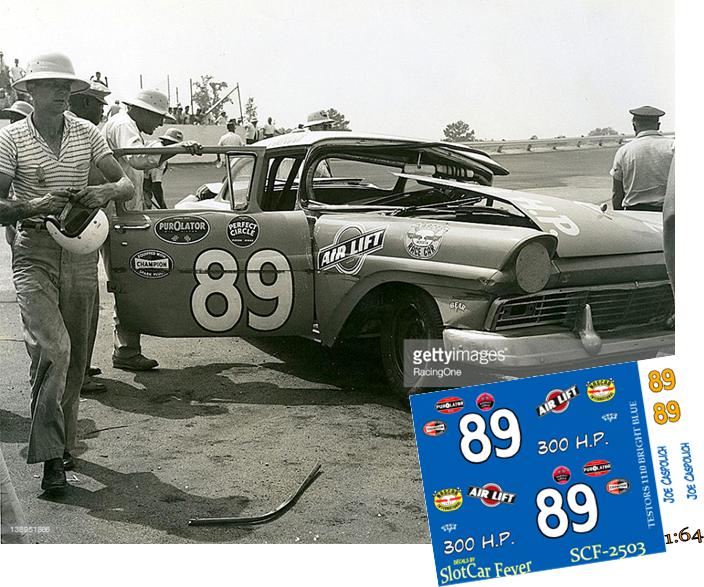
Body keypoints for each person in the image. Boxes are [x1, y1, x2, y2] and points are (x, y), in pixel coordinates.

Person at [0, 52, 134, 493]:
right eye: (52, 85)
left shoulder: (87, 132)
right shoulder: (11, 139)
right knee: (53, 349)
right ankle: (51, 458)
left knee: (74, 359)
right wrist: (33, 206)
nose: (62, 92)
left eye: (67, 86)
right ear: (30, 92)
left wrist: (103, 190)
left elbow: (126, 184)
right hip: (34, 252)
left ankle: (62, 445)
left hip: (80, 252)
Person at [102, 88, 202, 371]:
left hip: (122, 213)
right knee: (126, 282)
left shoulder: (127, 124)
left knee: (127, 281)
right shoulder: (123, 124)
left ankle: (127, 349)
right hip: (115, 215)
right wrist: (175, 148)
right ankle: (126, 351)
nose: (159, 124)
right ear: (142, 110)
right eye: (158, 117)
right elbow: (138, 158)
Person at [68, 81, 112, 394]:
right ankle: (78, 373)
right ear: (83, 103)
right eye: (98, 103)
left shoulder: (79, 130)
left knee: (85, 303)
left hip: (77, 230)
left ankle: (80, 366)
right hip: (76, 229)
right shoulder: (83, 131)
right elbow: (102, 180)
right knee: (81, 305)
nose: (103, 109)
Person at [611, 106, 674, 211]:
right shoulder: (673, 147)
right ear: (658, 126)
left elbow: (617, 193)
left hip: (635, 214)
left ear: (634, 125)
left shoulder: (624, 151)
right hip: (669, 213)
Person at [144, 127, 183, 209]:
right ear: (166, 141)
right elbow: (156, 186)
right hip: (139, 183)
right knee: (145, 206)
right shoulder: (159, 155)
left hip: (140, 179)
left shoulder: (153, 144)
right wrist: (163, 208)